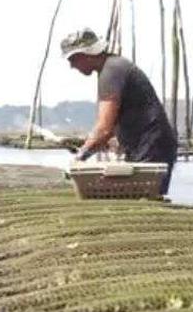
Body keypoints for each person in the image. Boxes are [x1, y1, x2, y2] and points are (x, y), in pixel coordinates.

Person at [61, 28, 178, 194]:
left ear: (86, 54)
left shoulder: (112, 71)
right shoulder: (111, 68)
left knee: (144, 199)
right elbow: (113, 126)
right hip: (146, 143)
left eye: (73, 59)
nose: (72, 66)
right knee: (140, 196)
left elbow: (103, 128)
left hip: (152, 144)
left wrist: (79, 158)